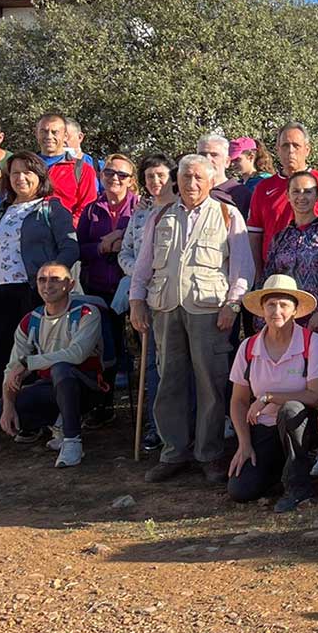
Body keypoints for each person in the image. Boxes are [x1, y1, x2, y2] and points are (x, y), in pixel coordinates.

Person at [129, 154, 254, 484]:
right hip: (166, 307)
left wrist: (233, 305)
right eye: (186, 177)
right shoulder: (160, 217)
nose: (192, 183)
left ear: (211, 181)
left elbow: (242, 267)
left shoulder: (228, 215)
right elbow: (143, 265)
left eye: (199, 177)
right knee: (169, 379)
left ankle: (209, 454)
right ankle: (173, 452)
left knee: (210, 384)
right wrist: (136, 300)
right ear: (176, 180)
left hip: (210, 310)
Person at [0, 151, 80, 446]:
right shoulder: (1, 210)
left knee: (34, 359)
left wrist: (51, 281)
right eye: (14, 173)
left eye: (27, 172)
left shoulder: (52, 208)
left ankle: (33, 421)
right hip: (2, 293)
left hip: (36, 295)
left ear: (40, 176)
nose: (21, 178)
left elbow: (70, 248)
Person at [0, 261, 109, 467]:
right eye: (42, 280)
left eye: (55, 280)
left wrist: (29, 363)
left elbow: (76, 354)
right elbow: (12, 367)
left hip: (87, 386)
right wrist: (8, 404)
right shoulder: (30, 320)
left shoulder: (87, 313)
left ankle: (72, 440)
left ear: (70, 284)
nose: (47, 285)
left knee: (61, 368)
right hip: (48, 387)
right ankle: (57, 421)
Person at [225, 275, 318, 510]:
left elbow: (316, 396)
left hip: (304, 425)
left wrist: (268, 397)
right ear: (262, 310)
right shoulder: (248, 347)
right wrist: (244, 443)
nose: (277, 311)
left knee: (291, 408)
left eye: (284, 305)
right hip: (264, 427)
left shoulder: (312, 343)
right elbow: (238, 401)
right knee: (240, 490)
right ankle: (279, 469)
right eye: (271, 304)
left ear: (295, 310)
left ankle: (298, 486)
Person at [120, 154, 177, 453]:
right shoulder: (139, 215)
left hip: (178, 297)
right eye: (149, 176)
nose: (155, 181)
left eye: (161, 175)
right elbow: (125, 253)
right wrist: (143, 274)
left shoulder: (183, 209)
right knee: (154, 363)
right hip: (149, 297)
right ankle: (157, 427)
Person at [77, 152, 139, 417]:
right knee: (105, 347)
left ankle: (146, 410)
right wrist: (102, 247)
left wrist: (123, 237)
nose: (115, 178)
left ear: (131, 180)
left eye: (122, 174)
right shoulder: (92, 209)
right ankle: (105, 406)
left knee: (143, 342)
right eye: (109, 173)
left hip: (135, 285)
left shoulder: (141, 207)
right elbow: (79, 248)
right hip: (99, 286)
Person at [263, 170, 318, 351]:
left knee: (314, 373)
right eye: (296, 191)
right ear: (287, 196)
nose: (301, 196)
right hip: (283, 319)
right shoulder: (281, 237)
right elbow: (268, 278)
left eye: (308, 191)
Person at [247, 122, 318, 272]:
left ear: (307, 150)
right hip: (275, 274)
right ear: (278, 150)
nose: (291, 151)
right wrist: (257, 275)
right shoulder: (263, 188)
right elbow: (254, 235)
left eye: (296, 146)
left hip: (317, 273)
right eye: (286, 146)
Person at [33, 113, 99, 219]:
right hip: (26, 231)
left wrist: (65, 229)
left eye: (55, 132)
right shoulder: (25, 166)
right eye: (44, 131)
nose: (49, 136)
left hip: (65, 232)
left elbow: (86, 207)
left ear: (65, 136)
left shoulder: (82, 169)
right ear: (36, 134)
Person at [196, 134, 252, 217]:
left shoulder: (240, 194)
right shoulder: (190, 190)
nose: (207, 159)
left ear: (227, 162)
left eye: (214, 155)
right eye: (202, 155)